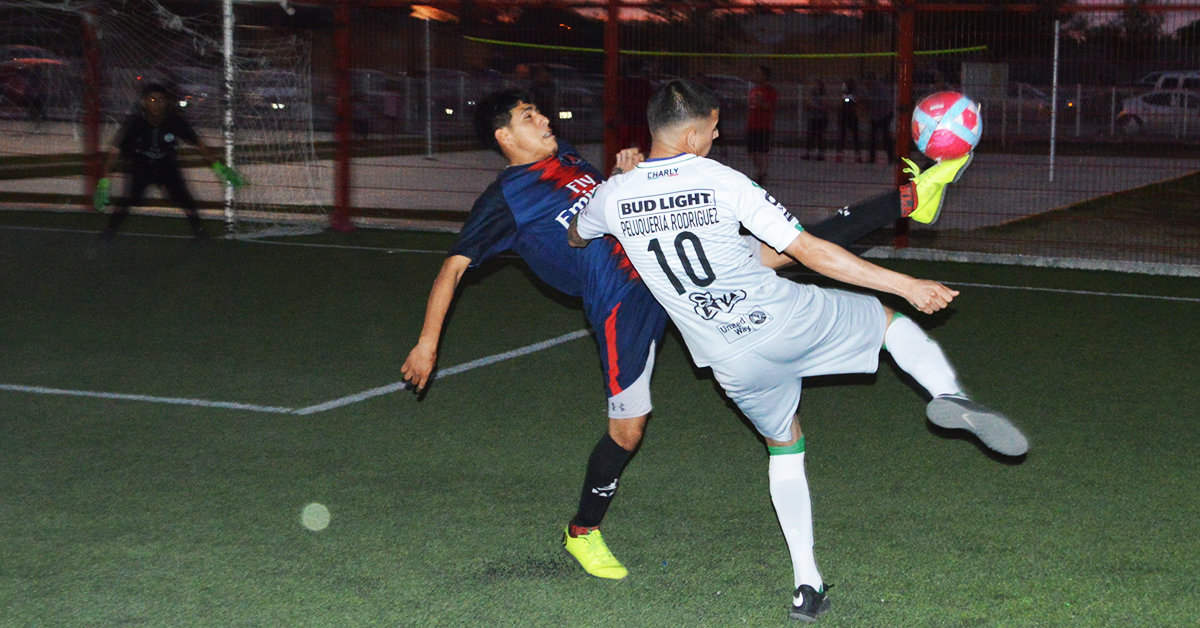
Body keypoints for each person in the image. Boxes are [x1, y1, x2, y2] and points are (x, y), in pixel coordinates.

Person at [400, 87, 966, 584]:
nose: (545, 119)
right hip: (621, 304)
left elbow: (605, 207)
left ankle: (909, 199)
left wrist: (623, 176)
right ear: (504, 135)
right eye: (529, 115)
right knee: (627, 430)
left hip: (664, 267)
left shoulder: (567, 160)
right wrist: (428, 343)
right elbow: (454, 266)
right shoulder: (504, 198)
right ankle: (582, 530)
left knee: (786, 248)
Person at [568, 79, 1026, 622]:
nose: (716, 138)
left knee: (784, 446)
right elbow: (807, 250)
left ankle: (806, 585)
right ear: (692, 134)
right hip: (785, 319)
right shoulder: (723, 181)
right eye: (713, 130)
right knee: (886, 322)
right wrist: (904, 284)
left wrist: (620, 182)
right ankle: (950, 393)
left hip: (728, 359)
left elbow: (578, 235)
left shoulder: (613, 197)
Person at [94, 83, 243, 241]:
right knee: (128, 200)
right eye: (152, 99)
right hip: (141, 167)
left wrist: (218, 167)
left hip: (167, 167)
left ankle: (199, 230)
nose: (157, 103)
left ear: (166, 103)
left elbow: (198, 144)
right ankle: (110, 231)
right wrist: (104, 180)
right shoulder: (135, 122)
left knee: (185, 198)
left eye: (161, 100)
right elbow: (115, 150)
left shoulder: (174, 121)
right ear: (144, 102)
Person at [746, 65, 778, 185]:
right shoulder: (753, 90)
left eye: (759, 73)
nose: (756, 76)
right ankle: (761, 171)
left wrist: (761, 102)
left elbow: (770, 107)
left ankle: (761, 173)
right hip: (752, 123)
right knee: (751, 151)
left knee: (763, 150)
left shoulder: (770, 91)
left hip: (764, 125)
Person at [866, 77, 895, 164]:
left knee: (885, 137)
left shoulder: (879, 90)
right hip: (877, 115)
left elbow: (881, 102)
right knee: (874, 137)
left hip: (883, 115)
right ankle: (872, 157)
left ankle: (890, 156)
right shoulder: (872, 90)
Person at [836, 77, 863, 163]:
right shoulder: (843, 95)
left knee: (855, 136)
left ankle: (857, 155)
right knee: (842, 136)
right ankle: (840, 155)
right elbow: (839, 105)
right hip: (844, 116)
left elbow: (858, 103)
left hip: (852, 117)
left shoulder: (855, 94)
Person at [802, 79, 829, 161]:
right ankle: (807, 153)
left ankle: (820, 154)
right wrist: (808, 106)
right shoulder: (812, 95)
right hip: (812, 117)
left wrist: (814, 107)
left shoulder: (823, 95)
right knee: (809, 136)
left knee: (820, 136)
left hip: (821, 118)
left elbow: (825, 107)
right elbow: (808, 105)